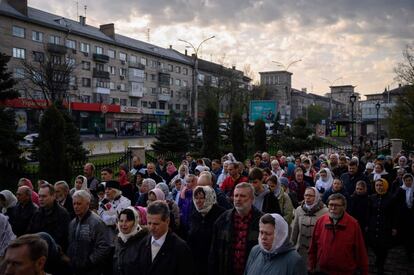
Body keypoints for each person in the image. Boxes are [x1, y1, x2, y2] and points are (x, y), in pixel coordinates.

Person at [209, 182, 263, 275]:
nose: (238, 199)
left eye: (242, 196)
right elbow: (214, 252)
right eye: (236, 195)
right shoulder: (222, 220)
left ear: (252, 199)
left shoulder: (262, 221)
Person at [308, 193, 368, 275]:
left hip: (345, 272)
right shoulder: (321, 221)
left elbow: (360, 250)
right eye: (331, 205)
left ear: (344, 207)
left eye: (336, 205)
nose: (333, 208)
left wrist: (364, 271)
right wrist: (311, 265)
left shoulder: (353, 224)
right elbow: (313, 246)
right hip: (323, 271)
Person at [136, 200, 194, 275]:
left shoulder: (181, 248)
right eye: (149, 223)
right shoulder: (142, 244)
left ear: (167, 221)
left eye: (156, 224)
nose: (151, 228)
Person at [68, 190, 112, 275]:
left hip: (92, 270)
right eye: (74, 204)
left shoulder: (97, 222)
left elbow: (105, 246)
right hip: (75, 269)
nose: (76, 207)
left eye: (79, 204)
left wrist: (90, 261)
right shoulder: (72, 223)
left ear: (87, 204)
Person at [187, 186, 225, 275]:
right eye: (196, 198)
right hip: (197, 261)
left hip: (214, 262)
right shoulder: (195, 214)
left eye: (201, 198)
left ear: (209, 197)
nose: (198, 201)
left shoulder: (220, 214)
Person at [367, 178, 398, 274]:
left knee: (383, 247)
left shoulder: (391, 198)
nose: (379, 187)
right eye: (377, 185)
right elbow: (369, 212)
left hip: (385, 226)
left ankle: (381, 264)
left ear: (385, 185)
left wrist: (394, 227)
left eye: (381, 185)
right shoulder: (372, 197)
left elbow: (395, 214)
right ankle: (378, 257)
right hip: (373, 224)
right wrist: (367, 224)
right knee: (373, 244)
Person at [27, 183, 70, 251]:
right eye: (39, 196)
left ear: (53, 196)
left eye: (44, 196)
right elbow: (30, 232)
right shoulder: (37, 213)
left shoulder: (62, 214)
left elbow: (62, 238)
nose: (40, 199)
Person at [291, 187, 328, 263]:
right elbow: (295, 229)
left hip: (316, 250)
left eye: (311, 196)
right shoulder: (299, 210)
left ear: (316, 197)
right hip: (301, 249)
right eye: (306, 195)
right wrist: (291, 246)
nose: (307, 198)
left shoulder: (325, 212)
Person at [113, 207, 149, 275]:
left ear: (135, 222)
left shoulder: (144, 240)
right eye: (121, 221)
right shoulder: (118, 238)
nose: (123, 224)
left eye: (127, 221)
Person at [395, 173, 414, 261]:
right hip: (404, 215)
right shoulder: (401, 189)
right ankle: (407, 252)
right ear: (404, 181)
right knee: (406, 234)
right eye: (406, 181)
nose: (408, 182)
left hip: (412, 215)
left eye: (410, 180)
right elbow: (395, 200)